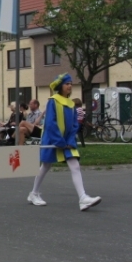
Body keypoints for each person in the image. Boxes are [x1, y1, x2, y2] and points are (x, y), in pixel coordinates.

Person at [27, 73, 101, 211]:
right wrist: (60, 141)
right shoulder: (53, 101)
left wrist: (69, 139)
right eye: (67, 84)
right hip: (52, 139)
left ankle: (83, 198)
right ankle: (34, 193)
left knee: (75, 165)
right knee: (46, 166)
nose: (70, 86)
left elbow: (74, 125)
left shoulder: (71, 104)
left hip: (67, 141)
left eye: (71, 84)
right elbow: (50, 124)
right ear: (61, 86)